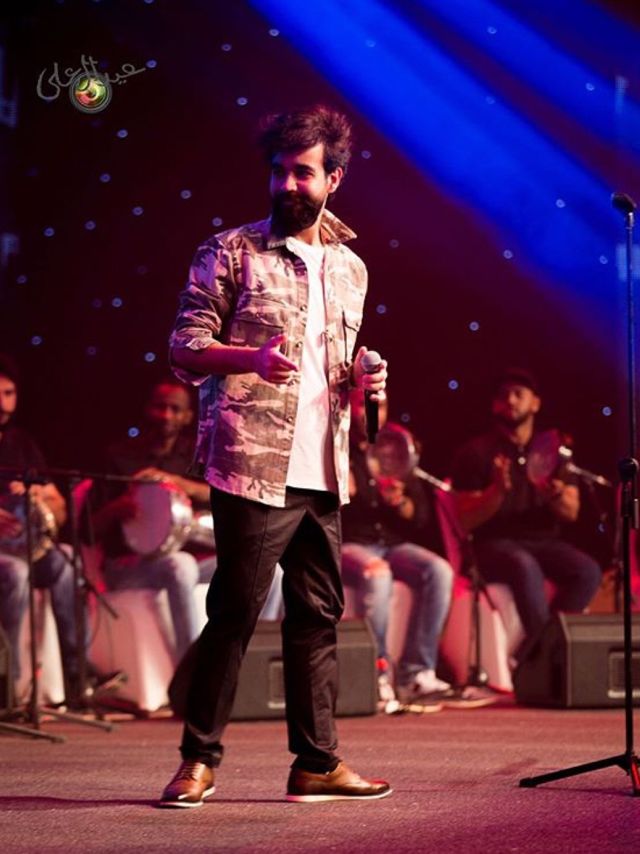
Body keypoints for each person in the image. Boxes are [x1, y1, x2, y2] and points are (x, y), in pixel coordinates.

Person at [160, 104, 390, 808]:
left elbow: (336, 377)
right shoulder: (231, 250)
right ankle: (198, 760)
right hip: (253, 463)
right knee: (234, 612)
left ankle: (316, 763)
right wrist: (250, 358)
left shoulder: (351, 268)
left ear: (334, 179)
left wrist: (368, 383)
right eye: (279, 171)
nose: (288, 184)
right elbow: (184, 348)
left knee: (317, 618)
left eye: (303, 173)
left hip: (325, 467)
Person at [450, 368, 602, 663]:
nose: (510, 400)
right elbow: (465, 520)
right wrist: (496, 491)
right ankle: (545, 657)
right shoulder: (476, 453)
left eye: (518, 394)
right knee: (523, 564)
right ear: (494, 404)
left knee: (587, 571)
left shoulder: (554, 451)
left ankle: (541, 647)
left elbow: (571, 513)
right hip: (493, 545)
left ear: (535, 403)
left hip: (543, 542)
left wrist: (554, 495)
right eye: (503, 395)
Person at [90, 378, 218, 661]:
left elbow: (220, 495)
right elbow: (88, 528)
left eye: (175, 409)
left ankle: (249, 659)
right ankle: (190, 668)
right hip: (129, 567)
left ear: (188, 416)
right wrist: (119, 507)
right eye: (160, 407)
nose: (166, 415)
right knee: (180, 565)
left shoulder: (195, 456)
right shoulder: (119, 456)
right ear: (148, 409)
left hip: (192, 558)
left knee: (270, 572)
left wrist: (178, 483)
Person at [341, 388, 454, 706]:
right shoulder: (337, 446)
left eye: (379, 406)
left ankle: (416, 673)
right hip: (350, 544)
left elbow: (419, 516)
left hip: (391, 544)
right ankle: (376, 674)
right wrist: (341, 492)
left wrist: (399, 502)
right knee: (379, 574)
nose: (371, 413)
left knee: (439, 570)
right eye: (363, 406)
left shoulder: (395, 451)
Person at [0, 354, 81, 705]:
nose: (3, 403)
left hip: (24, 545)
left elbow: (58, 506)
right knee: (16, 574)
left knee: (66, 562)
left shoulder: (22, 443)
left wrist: (40, 495)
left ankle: (78, 675)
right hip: (5, 556)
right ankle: (8, 685)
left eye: (9, 394)